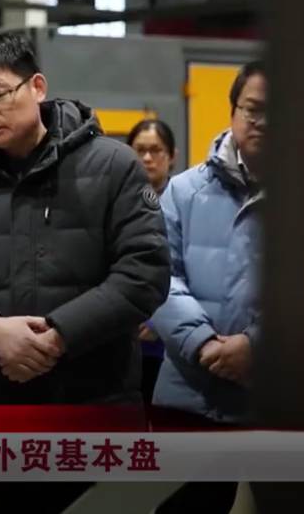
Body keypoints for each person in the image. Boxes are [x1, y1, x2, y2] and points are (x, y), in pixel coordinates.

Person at [0, 32, 170, 514]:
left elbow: (144, 273)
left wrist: (58, 336)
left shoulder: (113, 168)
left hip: (95, 411)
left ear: (37, 87)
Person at [150, 61, 266, 513]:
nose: (263, 122)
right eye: (253, 109)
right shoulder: (183, 192)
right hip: (192, 389)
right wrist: (203, 345)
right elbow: (158, 277)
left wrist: (255, 346)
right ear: (233, 111)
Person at [125, 119, 178, 408]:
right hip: (123, 339)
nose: (147, 158)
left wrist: (159, 319)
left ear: (172, 156)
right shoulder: (115, 199)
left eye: (155, 150)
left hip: (170, 343)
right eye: (139, 150)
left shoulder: (184, 202)